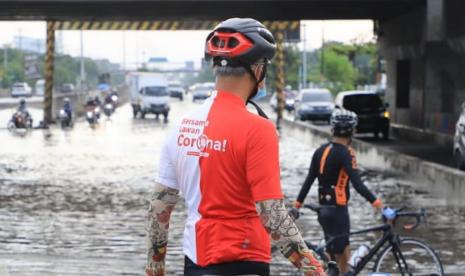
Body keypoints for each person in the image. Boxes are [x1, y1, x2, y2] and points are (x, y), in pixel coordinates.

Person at [145, 18, 327, 276]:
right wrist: (315, 270)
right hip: (243, 261)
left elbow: (159, 208)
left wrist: (155, 268)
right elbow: (272, 216)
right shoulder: (258, 129)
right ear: (257, 68)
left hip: (194, 263)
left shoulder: (180, 126)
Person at [289, 109, 396, 273]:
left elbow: (309, 181)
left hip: (323, 210)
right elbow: (359, 185)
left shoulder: (320, 151)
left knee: (331, 258)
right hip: (338, 210)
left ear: (332, 129)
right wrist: (382, 207)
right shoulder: (347, 153)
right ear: (353, 131)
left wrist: (296, 206)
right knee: (344, 258)